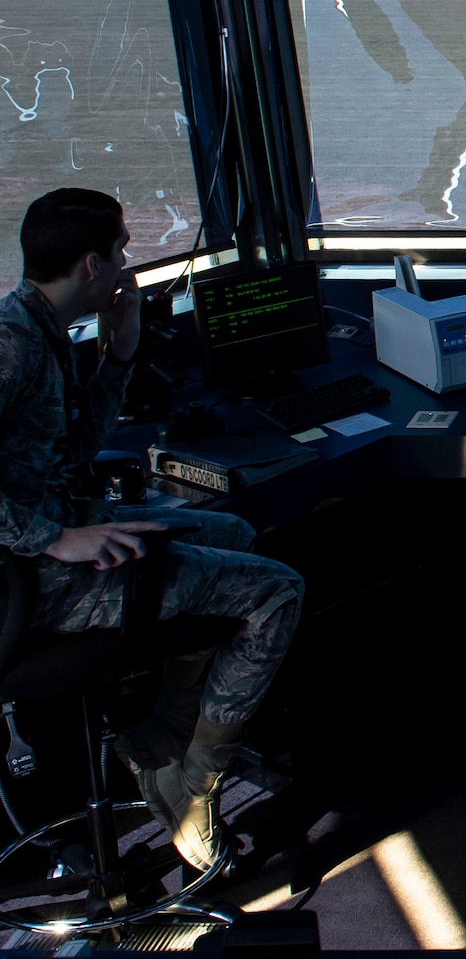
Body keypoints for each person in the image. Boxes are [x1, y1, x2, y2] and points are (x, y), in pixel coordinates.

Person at [0, 189, 303, 871]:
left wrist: (120, 352)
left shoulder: (42, 329)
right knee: (279, 592)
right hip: (25, 583)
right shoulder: (10, 345)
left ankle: (162, 738)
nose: (127, 264)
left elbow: (67, 454)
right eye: (122, 251)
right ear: (90, 264)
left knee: (237, 535)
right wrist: (49, 537)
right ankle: (191, 784)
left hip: (55, 534)